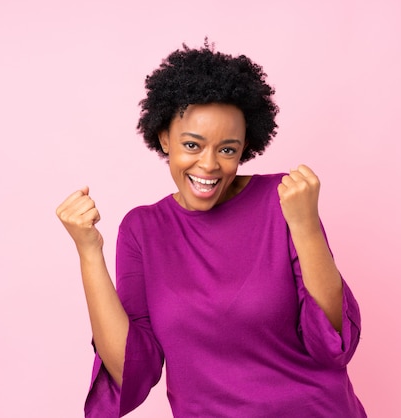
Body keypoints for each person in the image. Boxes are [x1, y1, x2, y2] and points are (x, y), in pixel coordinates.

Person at [56, 42, 367, 418]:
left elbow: (334, 342)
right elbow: (132, 368)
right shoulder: (142, 230)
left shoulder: (282, 200)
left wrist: (305, 227)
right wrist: (89, 252)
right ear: (164, 138)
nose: (209, 165)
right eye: (192, 145)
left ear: (246, 148)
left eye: (227, 150)